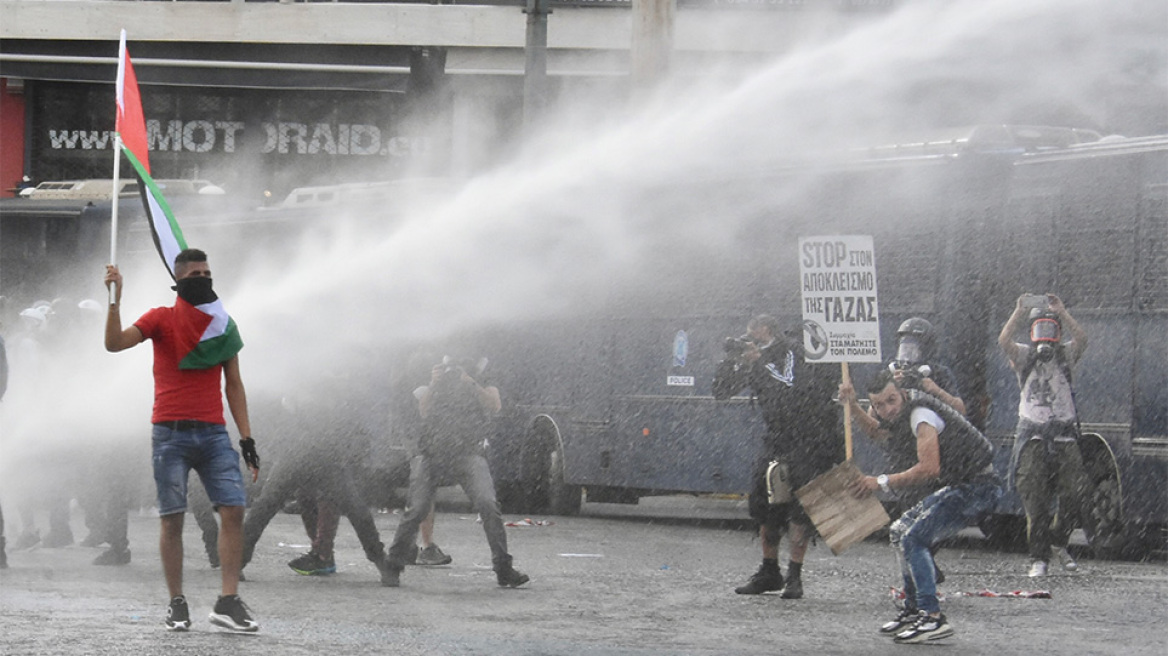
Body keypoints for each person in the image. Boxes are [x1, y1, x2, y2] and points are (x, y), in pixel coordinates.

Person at [104, 249, 260, 633]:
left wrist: (247, 437)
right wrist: (115, 300)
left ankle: (228, 601)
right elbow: (115, 344)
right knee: (172, 519)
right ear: (178, 280)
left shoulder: (221, 324)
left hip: (212, 432)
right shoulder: (162, 317)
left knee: (234, 510)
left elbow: (234, 384)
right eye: (195, 274)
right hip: (169, 433)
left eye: (208, 272)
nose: (203, 278)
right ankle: (177, 602)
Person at [839, 370, 1001, 644]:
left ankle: (932, 617)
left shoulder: (920, 415)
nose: (887, 410)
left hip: (978, 487)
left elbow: (929, 469)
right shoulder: (902, 410)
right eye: (878, 405)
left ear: (902, 393)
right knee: (900, 530)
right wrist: (852, 404)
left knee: (914, 539)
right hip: (962, 484)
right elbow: (877, 432)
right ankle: (913, 608)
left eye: (891, 400)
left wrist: (878, 482)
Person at [713, 314, 842, 599]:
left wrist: (759, 361)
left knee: (800, 508)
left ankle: (794, 575)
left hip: (809, 438)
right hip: (777, 438)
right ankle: (769, 570)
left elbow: (791, 387)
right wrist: (733, 361)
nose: (750, 340)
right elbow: (720, 391)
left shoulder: (793, 350)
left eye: (753, 334)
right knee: (764, 504)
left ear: (766, 329)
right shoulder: (757, 359)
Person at [381, 355, 529, 588]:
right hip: (431, 451)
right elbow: (423, 410)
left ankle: (503, 567)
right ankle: (393, 565)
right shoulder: (429, 372)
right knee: (417, 508)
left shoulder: (477, 372)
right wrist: (433, 384)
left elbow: (494, 404)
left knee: (488, 504)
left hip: (467, 450)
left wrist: (470, 383)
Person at [240, 374, 392, 582]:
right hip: (318, 451)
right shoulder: (329, 377)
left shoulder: (310, 377)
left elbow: (289, 406)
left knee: (266, 505)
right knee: (356, 509)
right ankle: (381, 563)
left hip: (307, 452)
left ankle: (237, 561)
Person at [850, 317, 966, 583]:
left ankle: (923, 568)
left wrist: (931, 387)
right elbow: (874, 422)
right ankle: (922, 572)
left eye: (914, 345)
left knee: (929, 516)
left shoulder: (938, 373)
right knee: (909, 517)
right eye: (905, 345)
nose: (908, 352)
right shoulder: (890, 375)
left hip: (937, 452)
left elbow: (960, 410)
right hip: (902, 457)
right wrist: (866, 401)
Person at [998, 293, 1089, 577]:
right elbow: (1004, 342)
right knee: (1035, 500)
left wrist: (1061, 311)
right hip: (1033, 436)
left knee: (1076, 493)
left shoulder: (1066, 354)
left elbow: (1083, 340)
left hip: (1063, 433)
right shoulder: (1025, 356)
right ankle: (1040, 557)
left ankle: (1059, 541)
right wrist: (1018, 311)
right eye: (1040, 328)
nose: (1045, 335)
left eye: (1050, 328)